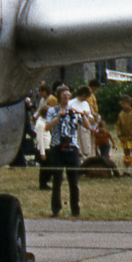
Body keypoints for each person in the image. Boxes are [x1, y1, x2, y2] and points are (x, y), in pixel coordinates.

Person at [45, 85, 83, 218]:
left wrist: (89, 117)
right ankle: (55, 209)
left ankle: (75, 210)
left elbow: (87, 124)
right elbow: (47, 127)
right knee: (57, 180)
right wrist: (58, 117)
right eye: (63, 96)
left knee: (74, 181)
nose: (66, 98)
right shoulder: (52, 110)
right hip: (57, 147)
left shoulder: (74, 111)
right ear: (58, 97)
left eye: (68, 96)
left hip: (72, 148)